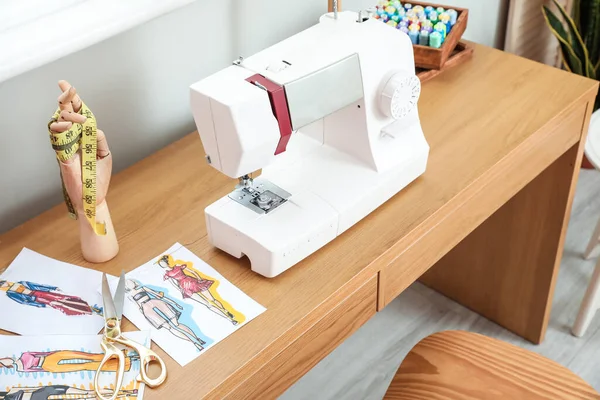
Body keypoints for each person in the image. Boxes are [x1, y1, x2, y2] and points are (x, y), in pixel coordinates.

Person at [125, 279, 206, 351]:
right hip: (147, 310)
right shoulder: (130, 296)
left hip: (157, 304)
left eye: (130, 282)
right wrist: (147, 316)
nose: (130, 284)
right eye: (127, 284)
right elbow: (139, 307)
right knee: (170, 328)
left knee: (176, 324)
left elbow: (158, 295)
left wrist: (174, 303)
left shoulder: (142, 288)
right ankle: (194, 343)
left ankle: (197, 339)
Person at [157, 255, 240, 325]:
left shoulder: (178, 266)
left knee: (212, 299)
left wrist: (199, 279)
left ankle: (226, 311)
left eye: (162, 263)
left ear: (167, 261)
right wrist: (181, 290)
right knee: (207, 304)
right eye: (161, 265)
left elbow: (192, 271)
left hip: (193, 282)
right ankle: (230, 319)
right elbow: (174, 284)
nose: (162, 265)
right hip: (185, 288)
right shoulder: (167, 274)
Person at [0, 280, 101, 317]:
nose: (7, 285)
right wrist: (41, 305)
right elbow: (24, 302)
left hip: (43, 293)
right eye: (4, 286)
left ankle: (91, 308)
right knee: (60, 305)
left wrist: (53, 288)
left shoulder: (22, 282)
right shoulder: (10, 294)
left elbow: (38, 285)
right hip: (37, 299)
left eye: (7, 283)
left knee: (66, 299)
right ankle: (86, 312)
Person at [0, 349, 135, 373]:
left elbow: (41, 353)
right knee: (85, 366)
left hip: (50, 357)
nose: (5, 360)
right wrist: (49, 369)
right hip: (48, 366)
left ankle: (119, 356)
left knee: (89, 356)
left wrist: (53, 353)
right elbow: (35, 369)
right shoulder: (20, 369)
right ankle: (122, 365)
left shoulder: (24, 354)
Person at [0, 385, 136, 400]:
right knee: (88, 398)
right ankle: (125, 394)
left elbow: (30, 388)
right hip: (42, 393)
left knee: (88, 393)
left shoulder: (10, 391)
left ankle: (126, 391)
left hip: (45, 392)